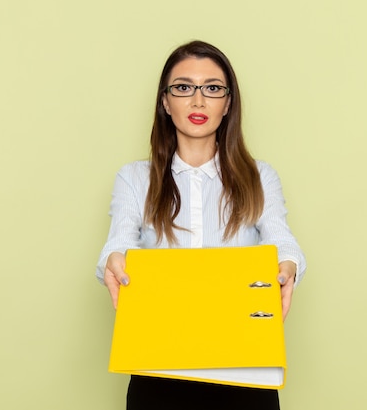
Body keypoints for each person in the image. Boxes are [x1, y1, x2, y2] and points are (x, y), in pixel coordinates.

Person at [96, 40, 306, 410]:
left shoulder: (260, 177)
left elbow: (282, 239)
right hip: (158, 365)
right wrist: (114, 260)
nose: (197, 101)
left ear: (227, 104)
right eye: (183, 87)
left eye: (212, 88)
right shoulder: (134, 179)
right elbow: (118, 243)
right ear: (165, 102)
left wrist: (288, 265)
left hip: (244, 367)